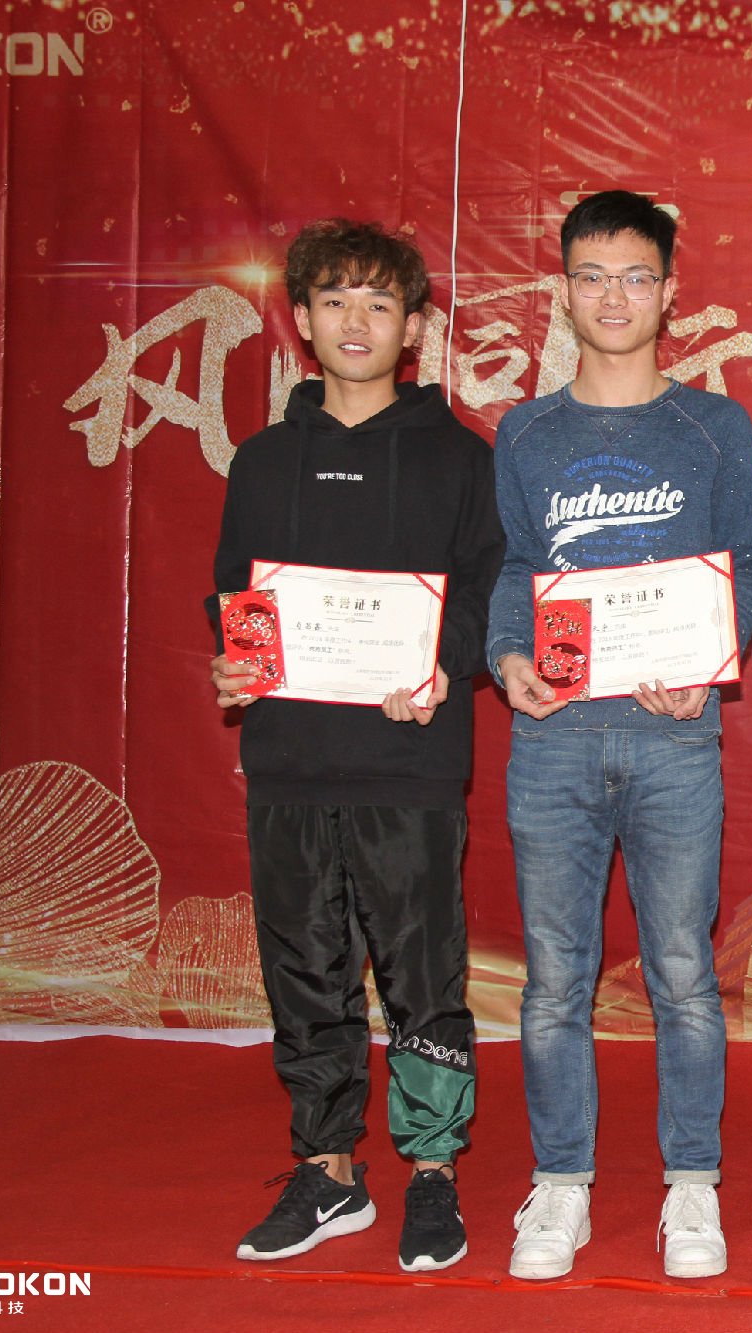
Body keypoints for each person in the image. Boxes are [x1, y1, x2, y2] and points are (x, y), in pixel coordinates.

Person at [486, 190, 752, 1282]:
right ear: (564, 291)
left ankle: (691, 1180)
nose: (614, 297)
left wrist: (710, 660)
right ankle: (560, 1181)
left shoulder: (713, 427)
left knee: (683, 972)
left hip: (672, 740)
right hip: (555, 737)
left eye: (636, 276)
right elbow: (515, 566)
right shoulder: (525, 431)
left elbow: (748, 560)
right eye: (593, 277)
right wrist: (505, 657)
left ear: (669, 292)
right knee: (553, 978)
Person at [209, 218, 504, 1273]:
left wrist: (445, 664)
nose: (355, 321)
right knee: (304, 971)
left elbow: (487, 595)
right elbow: (235, 595)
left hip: (407, 764)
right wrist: (234, 663)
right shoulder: (261, 460)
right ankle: (327, 1167)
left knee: (423, 975)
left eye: (380, 303)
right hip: (289, 761)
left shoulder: (462, 460)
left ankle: (433, 1171)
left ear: (413, 326)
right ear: (301, 318)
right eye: (334, 299)